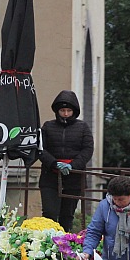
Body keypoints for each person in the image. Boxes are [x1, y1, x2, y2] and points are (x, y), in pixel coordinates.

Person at [38, 90, 94, 233]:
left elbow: (88, 149)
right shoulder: (48, 126)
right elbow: (40, 148)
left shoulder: (82, 127)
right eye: (63, 110)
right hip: (50, 176)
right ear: (57, 111)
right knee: (49, 213)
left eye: (69, 110)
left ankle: (64, 243)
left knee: (67, 215)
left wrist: (72, 165)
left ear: (74, 111)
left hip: (74, 177)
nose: (66, 114)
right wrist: (53, 163)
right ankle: (47, 242)